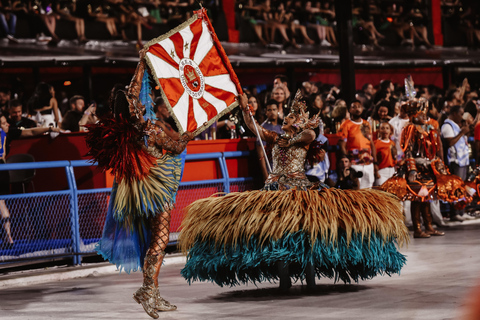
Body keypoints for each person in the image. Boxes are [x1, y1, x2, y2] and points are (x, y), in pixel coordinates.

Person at [179, 91, 408, 291]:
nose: (285, 118)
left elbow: (311, 135)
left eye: (290, 117)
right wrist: (244, 106)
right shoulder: (276, 137)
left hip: (298, 191)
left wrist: (295, 136)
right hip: (274, 190)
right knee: (278, 235)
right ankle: (284, 279)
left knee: (304, 233)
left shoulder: (303, 138)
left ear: (299, 122)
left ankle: (309, 279)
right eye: (286, 116)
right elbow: (254, 127)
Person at [87, 49, 193, 319]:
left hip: (137, 192)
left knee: (151, 242)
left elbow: (131, 90)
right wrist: (189, 133)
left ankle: (153, 292)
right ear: (134, 110)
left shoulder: (125, 127)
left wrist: (142, 62)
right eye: (136, 102)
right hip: (156, 190)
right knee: (159, 241)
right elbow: (177, 146)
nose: (139, 100)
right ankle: (147, 290)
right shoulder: (151, 129)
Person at [381, 98, 472, 238]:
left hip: (429, 166)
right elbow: (408, 151)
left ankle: (429, 226)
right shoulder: (410, 129)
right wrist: (411, 169)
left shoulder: (428, 129)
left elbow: (434, 149)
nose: (424, 116)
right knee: (417, 198)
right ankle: (418, 228)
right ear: (414, 114)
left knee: (428, 197)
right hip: (416, 167)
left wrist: (438, 163)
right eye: (420, 113)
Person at [0, 112, 63, 248]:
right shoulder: (3, 134)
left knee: (1, 203)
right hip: (3, 171)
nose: (7, 125)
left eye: (6, 122)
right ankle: (7, 238)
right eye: (4, 123)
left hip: (2, 172)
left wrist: (49, 128)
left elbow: (31, 132)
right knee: (1, 204)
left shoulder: (8, 133)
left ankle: (8, 238)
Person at [441, 105, 475, 222]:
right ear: (454, 113)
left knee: (462, 187)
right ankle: (454, 212)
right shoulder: (447, 126)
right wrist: (461, 133)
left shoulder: (456, 125)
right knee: (455, 188)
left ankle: (461, 211)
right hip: (455, 161)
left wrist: (465, 130)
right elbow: (449, 142)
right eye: (460, 114)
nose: (461, 117)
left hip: (463, 160)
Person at [337, 100, 378, 189]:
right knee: (356, 189)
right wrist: (347, 160)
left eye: (359, 106)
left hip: (368, 162)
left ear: (362, 109)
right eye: (354, 107)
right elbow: (342, 144)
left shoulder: (366, 124)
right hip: (354, 162)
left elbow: (371, 143)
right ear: (349, 110)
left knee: (369, 189)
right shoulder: (346, 125)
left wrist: (375, 163)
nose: (357, 109)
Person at [258, 99, 283, 181]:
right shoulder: (263, 128)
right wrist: (266, 175)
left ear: (278, 110)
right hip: (271, 170)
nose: (272, 112)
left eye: (274, 109)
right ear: (266, 112)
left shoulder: (283, 126)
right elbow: (261, 153)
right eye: (269, 110)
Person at [374, 121, 396, 186]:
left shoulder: (392, 143)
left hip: (392, 171)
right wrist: (376, 172)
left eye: (387, 128)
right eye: (382, 128)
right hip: (381, 172)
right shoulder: (376, 143)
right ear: (379, 130)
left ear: (390, 131)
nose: (385, 130)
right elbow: (373, 159)